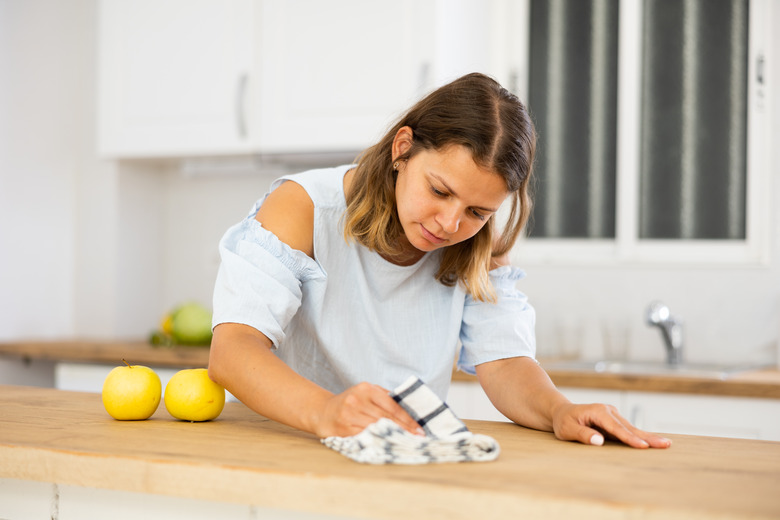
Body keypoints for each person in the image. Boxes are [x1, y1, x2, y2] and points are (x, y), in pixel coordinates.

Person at [208, 73, 671, 449]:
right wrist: (326, 412)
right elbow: (234, 351)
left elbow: (504, 363)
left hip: (410, 455)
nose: (451, 224)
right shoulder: (303, 208)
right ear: (402, 149)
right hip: (294, 446)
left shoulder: (480, 243)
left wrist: (557, 410)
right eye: (440, 190)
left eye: (476, 211)